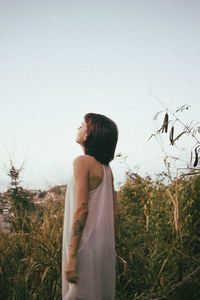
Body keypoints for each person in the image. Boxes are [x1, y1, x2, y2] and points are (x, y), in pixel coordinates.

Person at [62, 113, 119, 300]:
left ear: (89, 135)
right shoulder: (106, 169)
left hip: (83, 249)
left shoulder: (82, 162)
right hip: (103, 248)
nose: (78, 128)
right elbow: (115, 214)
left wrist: (72, 257)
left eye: (82, 126)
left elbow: (81, 208)